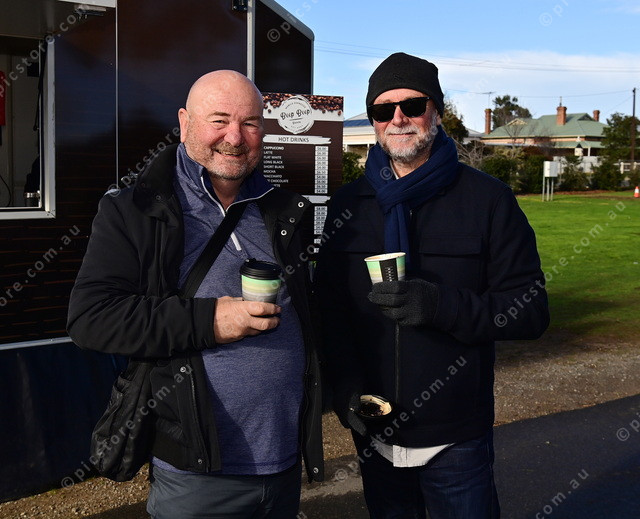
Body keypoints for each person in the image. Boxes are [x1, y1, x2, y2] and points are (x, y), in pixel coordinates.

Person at [67, 70, 324, 519]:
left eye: (249, 123)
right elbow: (91, 318)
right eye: (219, 120)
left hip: (284, 463)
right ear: (185, 122)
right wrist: (210, 321)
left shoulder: (284, 210)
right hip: (197, 475)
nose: (234, 137)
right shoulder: (135, 209)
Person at [315, 52, 549, 519]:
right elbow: (331, 311)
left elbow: (530, 310)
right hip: (376, 429)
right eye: (383, 109)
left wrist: (442, 305)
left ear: (436, 112)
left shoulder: (488, 200)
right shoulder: (349, 205)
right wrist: (346, 390)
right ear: (373, 120)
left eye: (412, 105)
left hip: (455, 435)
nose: (397, 118)